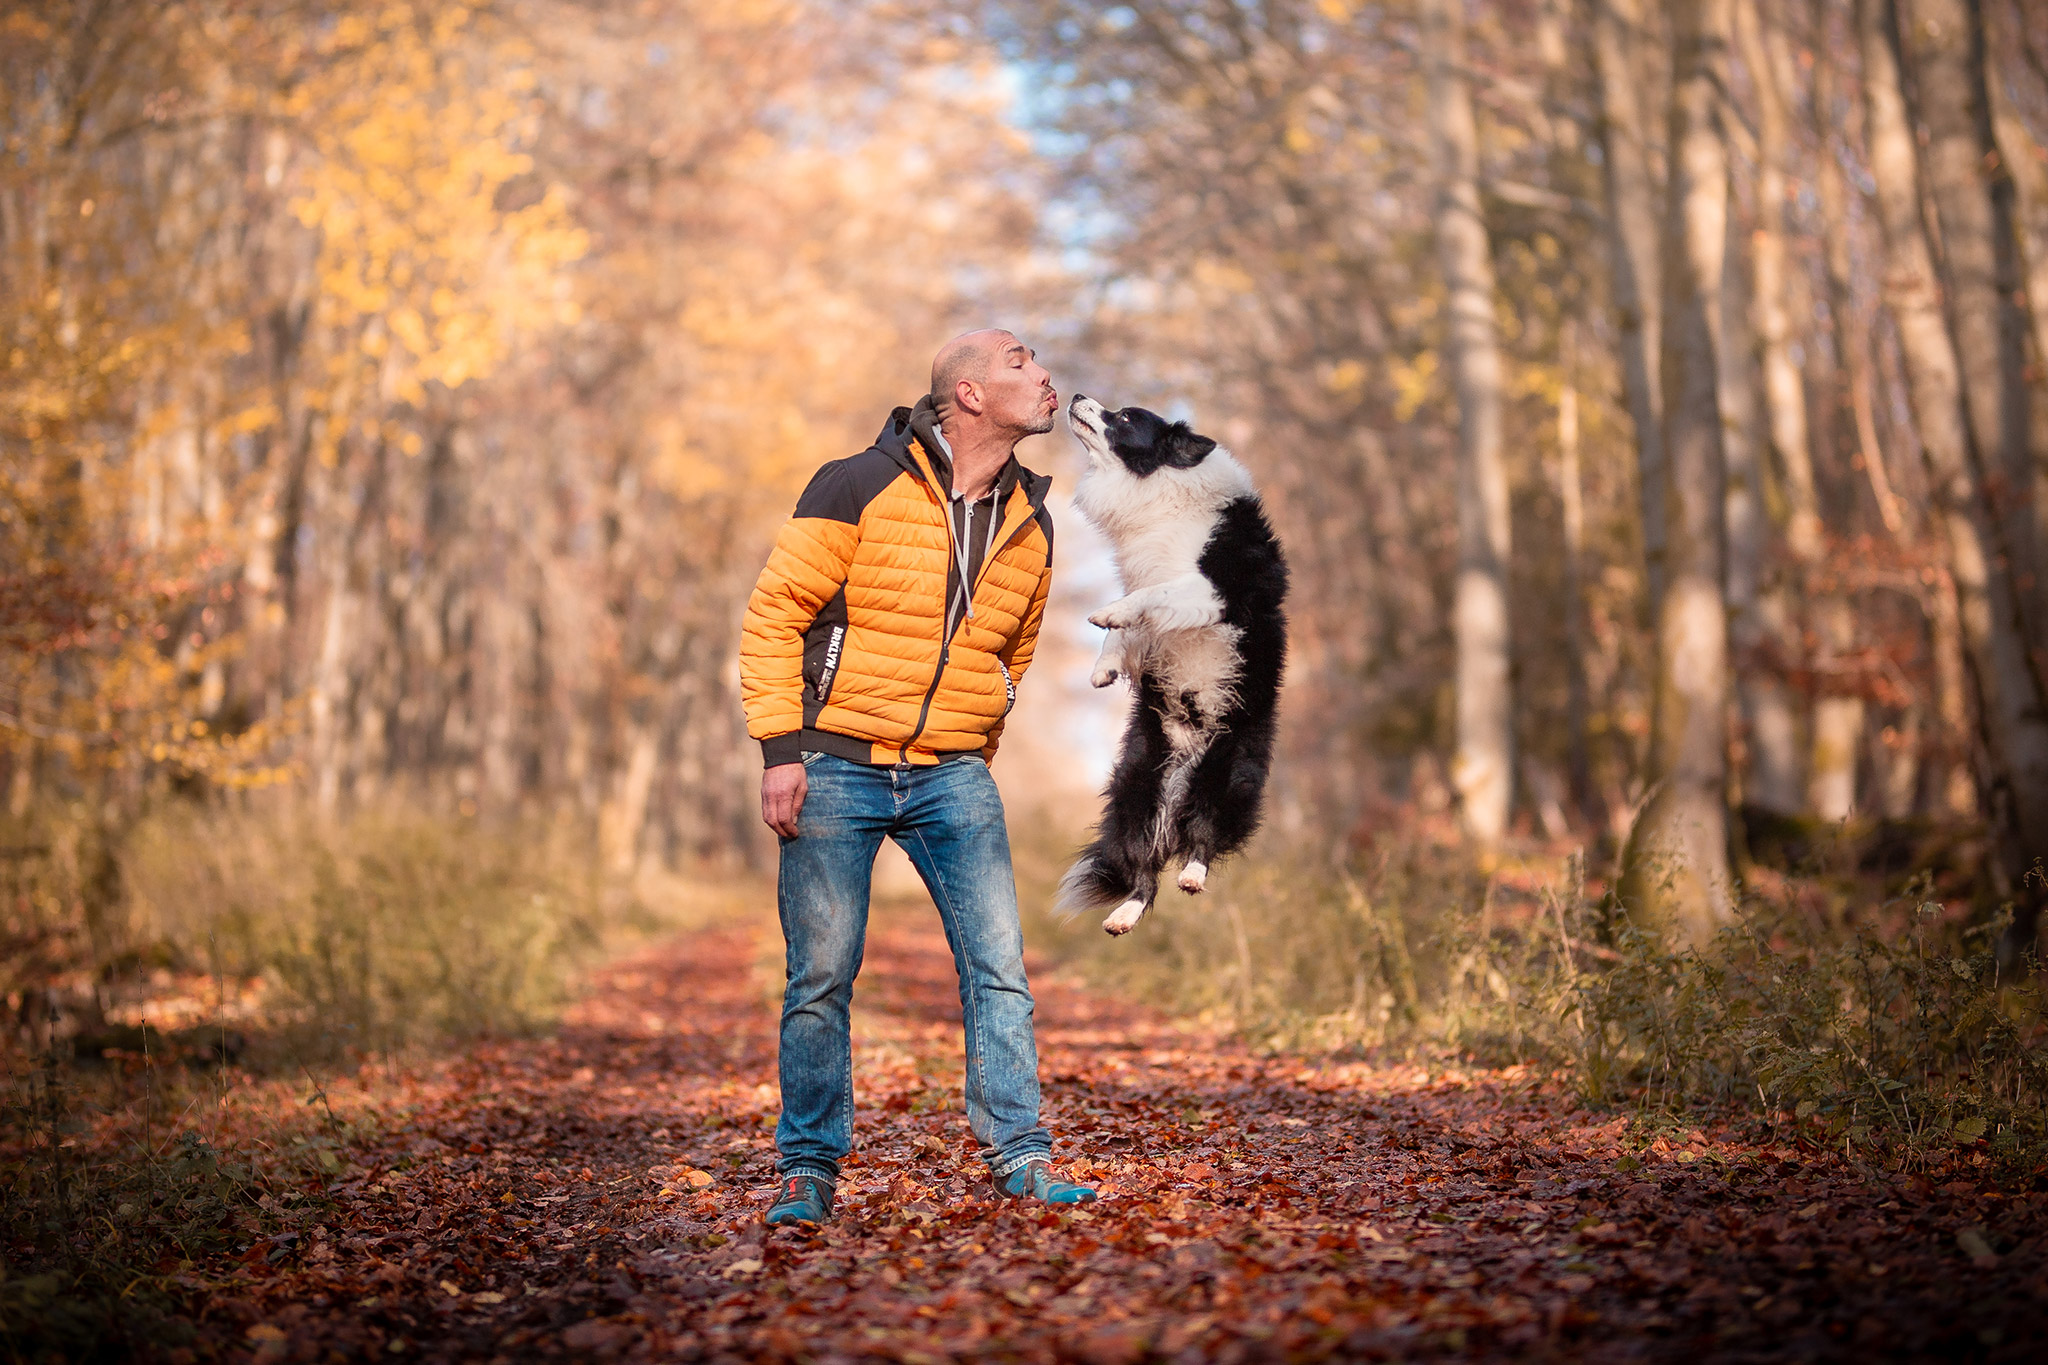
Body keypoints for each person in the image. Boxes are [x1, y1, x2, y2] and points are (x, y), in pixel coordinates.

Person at [738, 329, 1098, 1226]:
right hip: (836, 763)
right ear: (968, 394)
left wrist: (981, 734)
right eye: (1022, 362)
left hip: (952, 774)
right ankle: (807, 1167)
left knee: (999, 966)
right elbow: (774, 618)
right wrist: (782, 750)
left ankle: (1021, 1154)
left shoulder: (1032, 520)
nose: (1045, 375)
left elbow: (1013, 649)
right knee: (820, 974)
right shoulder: (853, 484)